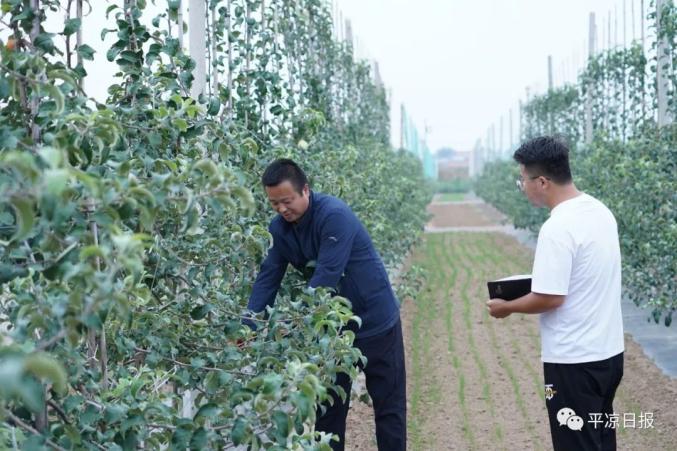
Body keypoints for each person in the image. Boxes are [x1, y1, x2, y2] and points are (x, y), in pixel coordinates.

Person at [247, 158, 406, 451]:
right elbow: (268, 277)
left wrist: (294, 323)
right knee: (327, 412)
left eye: (287, 200)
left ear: (306, 190)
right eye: (274, 204)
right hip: (331, 333)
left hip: (375, 322)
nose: (282, 209)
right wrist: (248, 325)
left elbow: (326, 277)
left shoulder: (334, 215)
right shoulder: (279, 229)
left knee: (389, 409)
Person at [486, 136, 624, 451]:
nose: (522, 186)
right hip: (609, 355)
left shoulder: (558, 228)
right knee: (601, 439)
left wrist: (507, 307)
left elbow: (550, 297)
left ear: (543, 182)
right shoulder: (600, 211)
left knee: (575, 442)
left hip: (573, 364)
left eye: (523, 179)